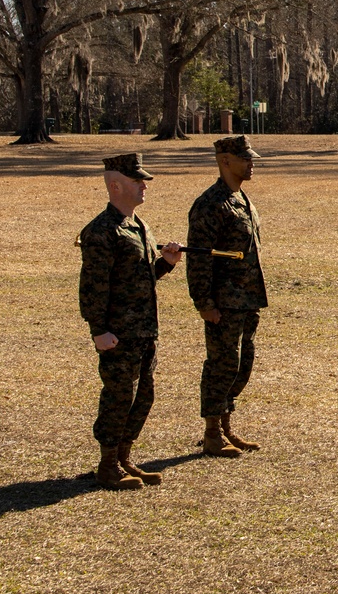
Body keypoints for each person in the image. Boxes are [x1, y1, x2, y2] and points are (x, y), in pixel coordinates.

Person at [78, 153, 184, 490]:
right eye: (137, 180)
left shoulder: (139, 226)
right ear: (115, 185)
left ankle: (124, 458)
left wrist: (165, 263)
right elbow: (93, 286)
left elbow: (141, 278)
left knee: (143, 396)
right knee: (119, 396)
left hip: (143, 330)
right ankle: (108, 464)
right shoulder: (101, 231)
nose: (143, 185)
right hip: (118, 333)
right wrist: (99, 330)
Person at [186, 134, 268, 457]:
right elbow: (198, 259)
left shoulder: (242, 199)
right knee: (222, 364)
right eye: (244, 158)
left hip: (247, 300)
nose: (251, 164)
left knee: (241, 364)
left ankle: (226, 424)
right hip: (223, 303)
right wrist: (204, 302)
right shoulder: (209, 205)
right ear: (224, 161)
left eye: (250, 158)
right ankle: (211, 433)